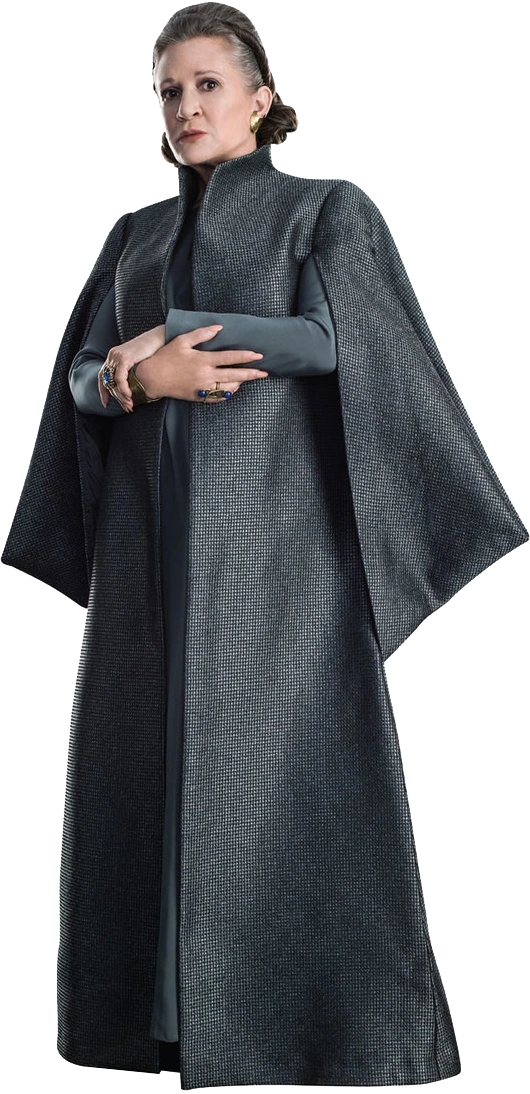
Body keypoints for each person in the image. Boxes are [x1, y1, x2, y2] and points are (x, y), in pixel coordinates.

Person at [1, 3, 527, 1088]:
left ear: (260, 98)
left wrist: (180, 336)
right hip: (148, 565)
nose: (185, 107)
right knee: (148, 781)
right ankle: (165, 1026)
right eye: (169, 90)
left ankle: (319, 1032)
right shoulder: (135, 236)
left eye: (207, 84)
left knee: (282, 784)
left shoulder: (321, 209)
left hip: (278, 566)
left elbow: (336, 339)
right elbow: (81, 373)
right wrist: (135, 375)